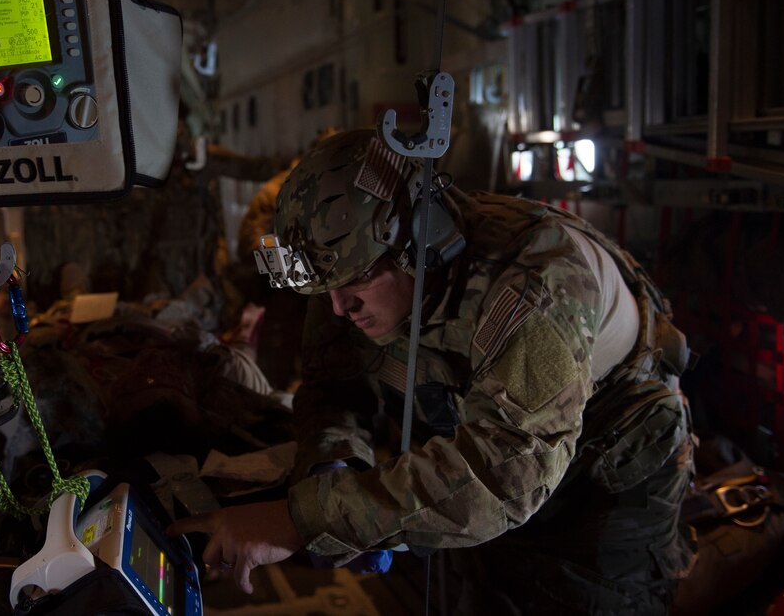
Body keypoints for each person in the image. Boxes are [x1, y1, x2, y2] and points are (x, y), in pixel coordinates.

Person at [169, 128, 696, 613]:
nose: (337, 309)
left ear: (423, 240)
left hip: (606, 471)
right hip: (489, 450)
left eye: (356, 284)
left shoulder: (537, 283)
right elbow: (334, 389)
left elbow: (502, 477)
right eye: (327, 289)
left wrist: (301, 518)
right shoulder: (349, 264)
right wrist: (334, 465)